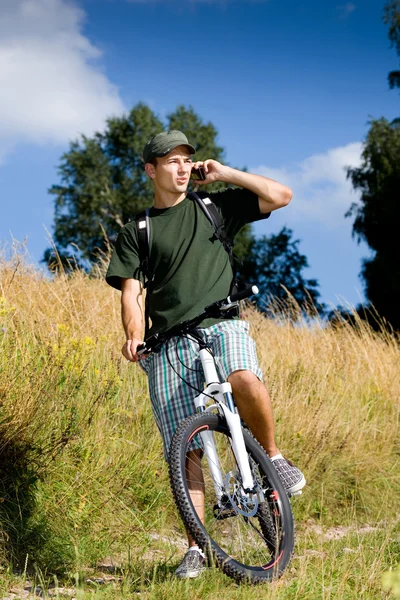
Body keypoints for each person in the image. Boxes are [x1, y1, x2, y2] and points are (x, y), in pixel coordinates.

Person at [106, 130, 306, 579]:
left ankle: (272, 457)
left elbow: (283, 195)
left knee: (244, 378)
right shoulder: (138, 230)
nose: (181, 167)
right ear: (150, 170)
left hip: (222, 322)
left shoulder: (213, 205)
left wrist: (225, 174)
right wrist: (134, 334)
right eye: (170, 161)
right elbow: (132, 293)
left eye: (186, 160)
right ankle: (197, 546)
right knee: (186, 449)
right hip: (169, 343)